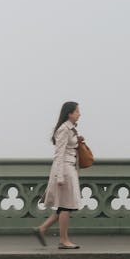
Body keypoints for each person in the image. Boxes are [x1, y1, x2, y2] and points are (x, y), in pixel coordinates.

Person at [34, 101, 84, 249]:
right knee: (66, 206)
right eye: (77, 111)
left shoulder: (70, 129)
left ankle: (42, 229)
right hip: (65, 170)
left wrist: (76, 141)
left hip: (69, 169)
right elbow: (59, 154)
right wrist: (60, 177)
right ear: (69, 113)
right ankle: (63, 240)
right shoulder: (64, 129)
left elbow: (67, 147)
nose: (79, 114)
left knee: (64, 207)